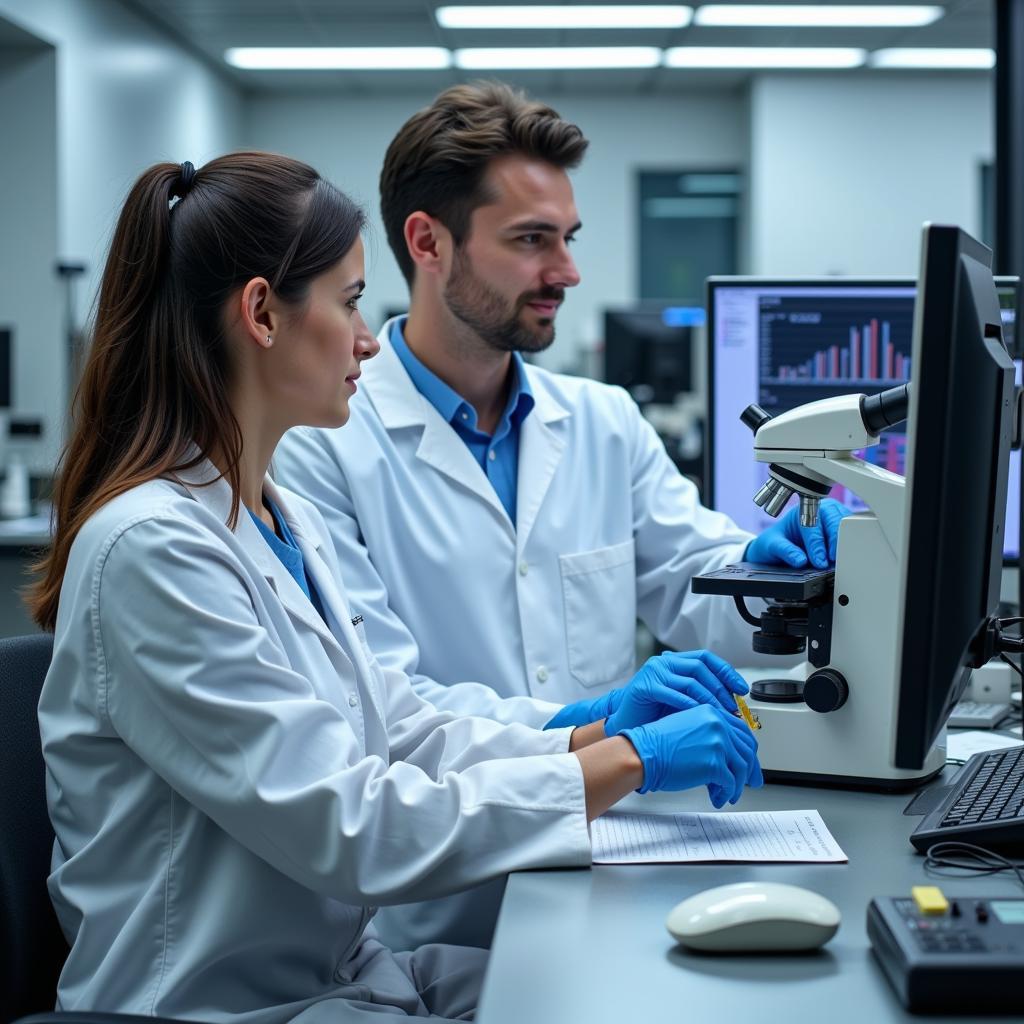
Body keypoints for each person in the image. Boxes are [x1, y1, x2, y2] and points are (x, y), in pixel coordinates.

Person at [31, 152, 762, 1024]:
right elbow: (351, 824)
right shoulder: (153, 548)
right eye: (347, 303)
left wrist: (594, 730)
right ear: (262, 313)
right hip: (219, 1004)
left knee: (626, 987)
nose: (368, 337)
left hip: (341, 974)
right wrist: (630, 763)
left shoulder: (274, 513)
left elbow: (402, 730)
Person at [274, 83, 847, 949]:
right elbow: (381, 707)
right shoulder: (321, 442)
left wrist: (777, 580)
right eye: (532, 241)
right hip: (431, 907)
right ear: (427, 242)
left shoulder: (603, 421)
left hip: (610, 869)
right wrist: (594, 725)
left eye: (567, 240)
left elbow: (697, 590)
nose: (567, 272)